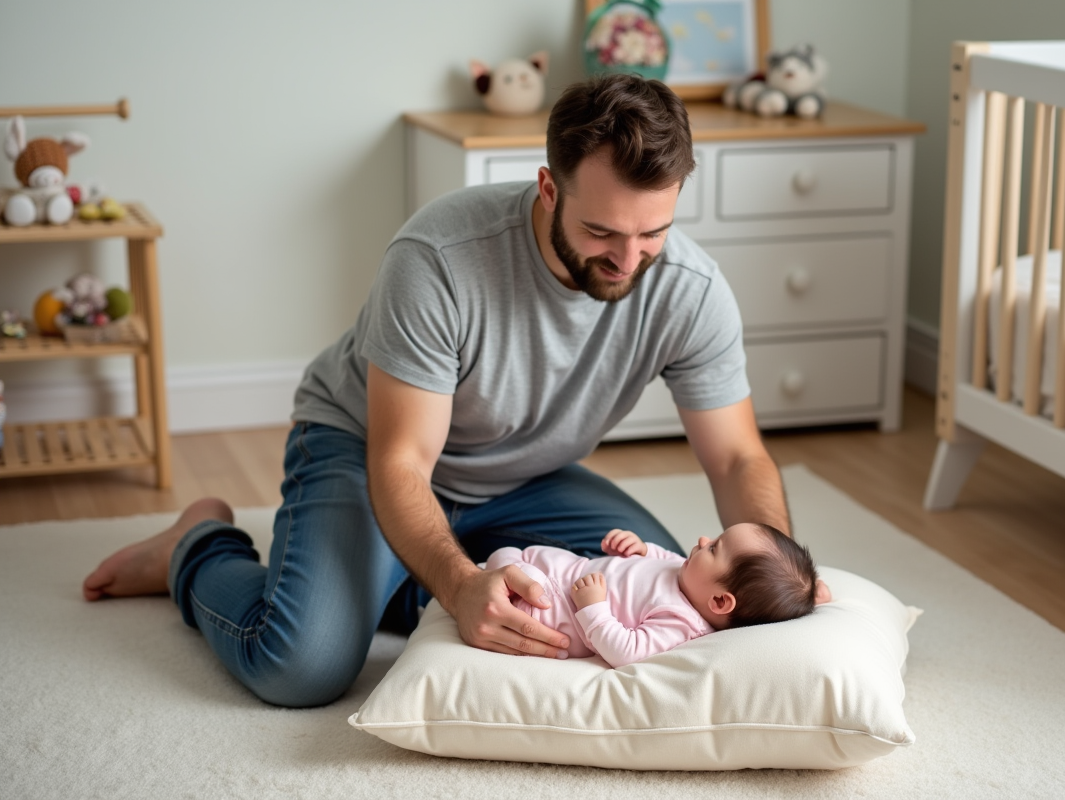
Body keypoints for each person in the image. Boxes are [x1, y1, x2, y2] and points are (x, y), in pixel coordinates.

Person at [81, 73, 795, 708]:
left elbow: (736, 459)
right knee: (301, 666)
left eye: (654, 234)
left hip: (524, 477)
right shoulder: (440, 260)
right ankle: (196, 547)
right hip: (371, 452)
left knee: (675, 598)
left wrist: (782, 574)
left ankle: (394, 579)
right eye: (603, 232)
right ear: (549, 188)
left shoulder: (690, 290)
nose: (629, 260)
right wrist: (458, 589)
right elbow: (402, 464)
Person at [486, 524, 833, 668]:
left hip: (557, 607)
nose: (701, 541)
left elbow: (627, 651)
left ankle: (495, 582)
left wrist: (594, 609)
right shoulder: (689, 575)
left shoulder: (681, 621)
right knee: (511, 557)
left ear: (719, 602)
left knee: (508, 567)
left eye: (713, 548)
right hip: (570, 570)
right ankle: (497, 571)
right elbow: (660, 558)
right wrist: (637, 548)